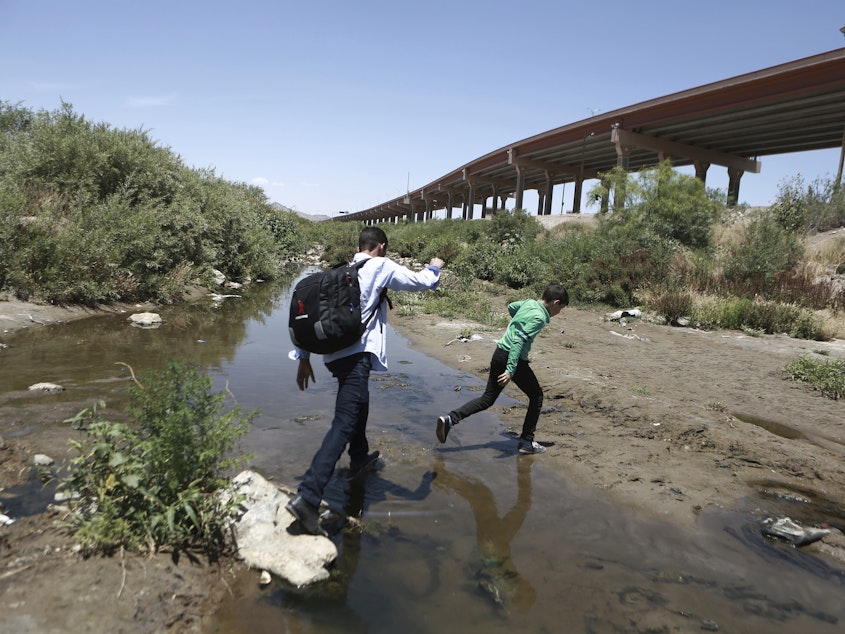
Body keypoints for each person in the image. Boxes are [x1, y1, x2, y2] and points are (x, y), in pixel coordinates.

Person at [286, 226, 445, 536]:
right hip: (357, 357)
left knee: (359, 404)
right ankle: (307, 496)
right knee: (344, 421)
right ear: (381, 246)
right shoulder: (379, 265)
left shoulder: (340, 271)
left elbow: (313, 313)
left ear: (359, 246)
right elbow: (421, 282)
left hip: (333, 355)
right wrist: (435, 266)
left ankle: (359, 459)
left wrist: (303, 357)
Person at [436, 283, 569, 454]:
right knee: (536, 396)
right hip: (513, 359)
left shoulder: (529, 303)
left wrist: (518, 322)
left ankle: (450, 419)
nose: (559, 313)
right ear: (555, 303)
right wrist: (510, 370)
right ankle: (527, 442)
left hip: (499, 353)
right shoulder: (539, 318)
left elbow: (512, 307)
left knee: (488, 399)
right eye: (561, 309)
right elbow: (519, 341)